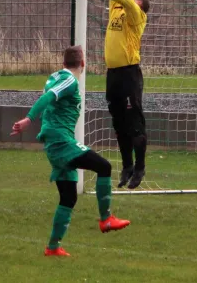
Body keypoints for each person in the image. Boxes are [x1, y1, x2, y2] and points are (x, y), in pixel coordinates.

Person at [11, 46, 130, 257]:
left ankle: (53, 247)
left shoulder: (54, 76)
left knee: (68, 198)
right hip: (61, 142)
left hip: (54, 144)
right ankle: (106, 219)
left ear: (63, 62)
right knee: (104, 167)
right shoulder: (69, 80)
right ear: (83, 64)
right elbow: (47, 98)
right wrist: (29, 119)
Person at [84, 0, 150, 189]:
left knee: (134, 126)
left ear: (140, 6)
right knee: (119, 125)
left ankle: (140, 168)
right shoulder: (117, 10)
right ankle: (127, 167)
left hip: (129, 75)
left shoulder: (137, 16)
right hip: (113, 76)